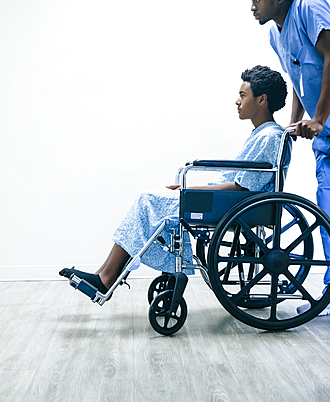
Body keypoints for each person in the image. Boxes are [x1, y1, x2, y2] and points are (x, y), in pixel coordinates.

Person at [60, 65, 290, 297]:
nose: (237, 101)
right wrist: (192, 189)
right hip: (232, 201)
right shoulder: (264, 134)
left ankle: (106, 278)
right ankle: (104, 274)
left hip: (236, 204)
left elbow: (242, 186)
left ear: (262, 100)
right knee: (149, 202)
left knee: (147, 200)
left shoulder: (269, 136)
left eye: (243, 95)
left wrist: (193, 189)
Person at [248, 0, 330, 316]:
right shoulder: (277, 35)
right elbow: (298, 80)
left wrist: (317, 118)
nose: (253, 7)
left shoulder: (308, 7)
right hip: (326, 140)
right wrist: (293, 122)